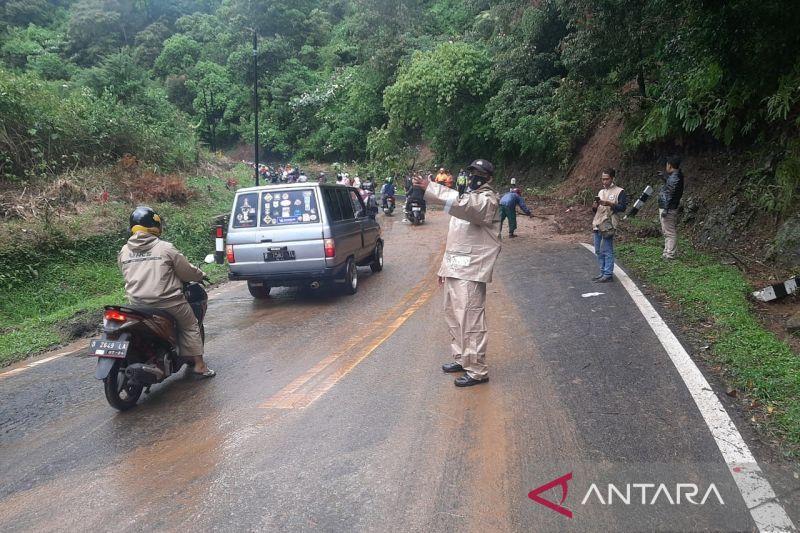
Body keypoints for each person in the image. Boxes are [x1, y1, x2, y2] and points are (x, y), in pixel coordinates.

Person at [413, 159, 500, 387]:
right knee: (454, 316)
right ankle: (463, 358)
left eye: (479, 174)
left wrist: (431, 187)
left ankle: (477, 370)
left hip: (471, 271)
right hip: (455, 268)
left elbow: (467, 205)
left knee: (470, 319)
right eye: (472, 173)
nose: (474, 178)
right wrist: (444, 267)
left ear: (488, 178)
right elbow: (455, 240)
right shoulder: (466, 199)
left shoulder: (487, 201)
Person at [118, 206, 215, 377]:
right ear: (155, 226)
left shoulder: (125, 250)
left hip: (137, 305)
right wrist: (200, 275)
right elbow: (186, 272)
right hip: (168, 302)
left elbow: (124, 271)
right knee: (190, 325)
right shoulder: (165, 248)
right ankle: (199, 366)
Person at [591, 168, 628, 283]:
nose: (604, 181)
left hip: (609, 224)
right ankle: (602, 272)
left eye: (606, 179)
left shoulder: (620, 191)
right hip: (597, 223)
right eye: (603, 179)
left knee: (607, 249)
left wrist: (609, 203)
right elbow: (594, 210)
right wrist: (595, 205)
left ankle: (608, 274)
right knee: (598, 250)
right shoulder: (601, 192)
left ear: (612, 178)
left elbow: (622, 208)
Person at [658, 156, 684, 260]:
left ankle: (670, 254)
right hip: (669, 207)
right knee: (666, 230)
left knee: (669, 231)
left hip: (668, 208)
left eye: (667, 165)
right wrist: (664, 178)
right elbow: (671, 188)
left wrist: (666, 209)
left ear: (669, 165)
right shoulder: (675, 176)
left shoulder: (674, 177)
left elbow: (670, 194)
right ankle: (667, 251)